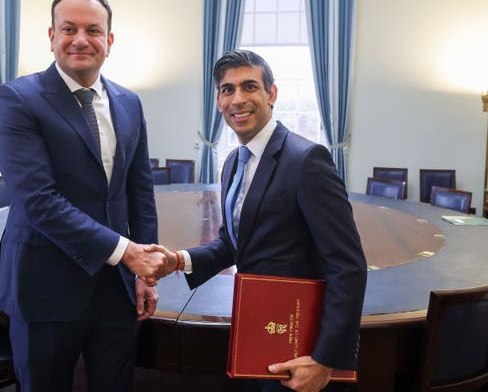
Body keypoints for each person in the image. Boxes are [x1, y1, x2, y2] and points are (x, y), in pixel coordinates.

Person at [150, 50, 367, 392]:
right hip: (257, 330)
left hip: (301, 342)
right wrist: (180, 260)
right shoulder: (234, 163)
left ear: (271, 94)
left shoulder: (307, 159)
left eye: (249, 86)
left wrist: (326, 359)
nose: (238, 99)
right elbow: (234, 244)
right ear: (219, 101)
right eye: (227, 89)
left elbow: (348, 265)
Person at [0, 0, 170, 392]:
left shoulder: (129, 103)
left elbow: (139, 192)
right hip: (44, 288)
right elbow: (39, 202)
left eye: (93, 29)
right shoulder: (17, 99)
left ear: (109, 41)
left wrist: (146, 275)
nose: (80, 39)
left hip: (117, 291)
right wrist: (127, 252)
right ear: (51, 36)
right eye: (68, 28)